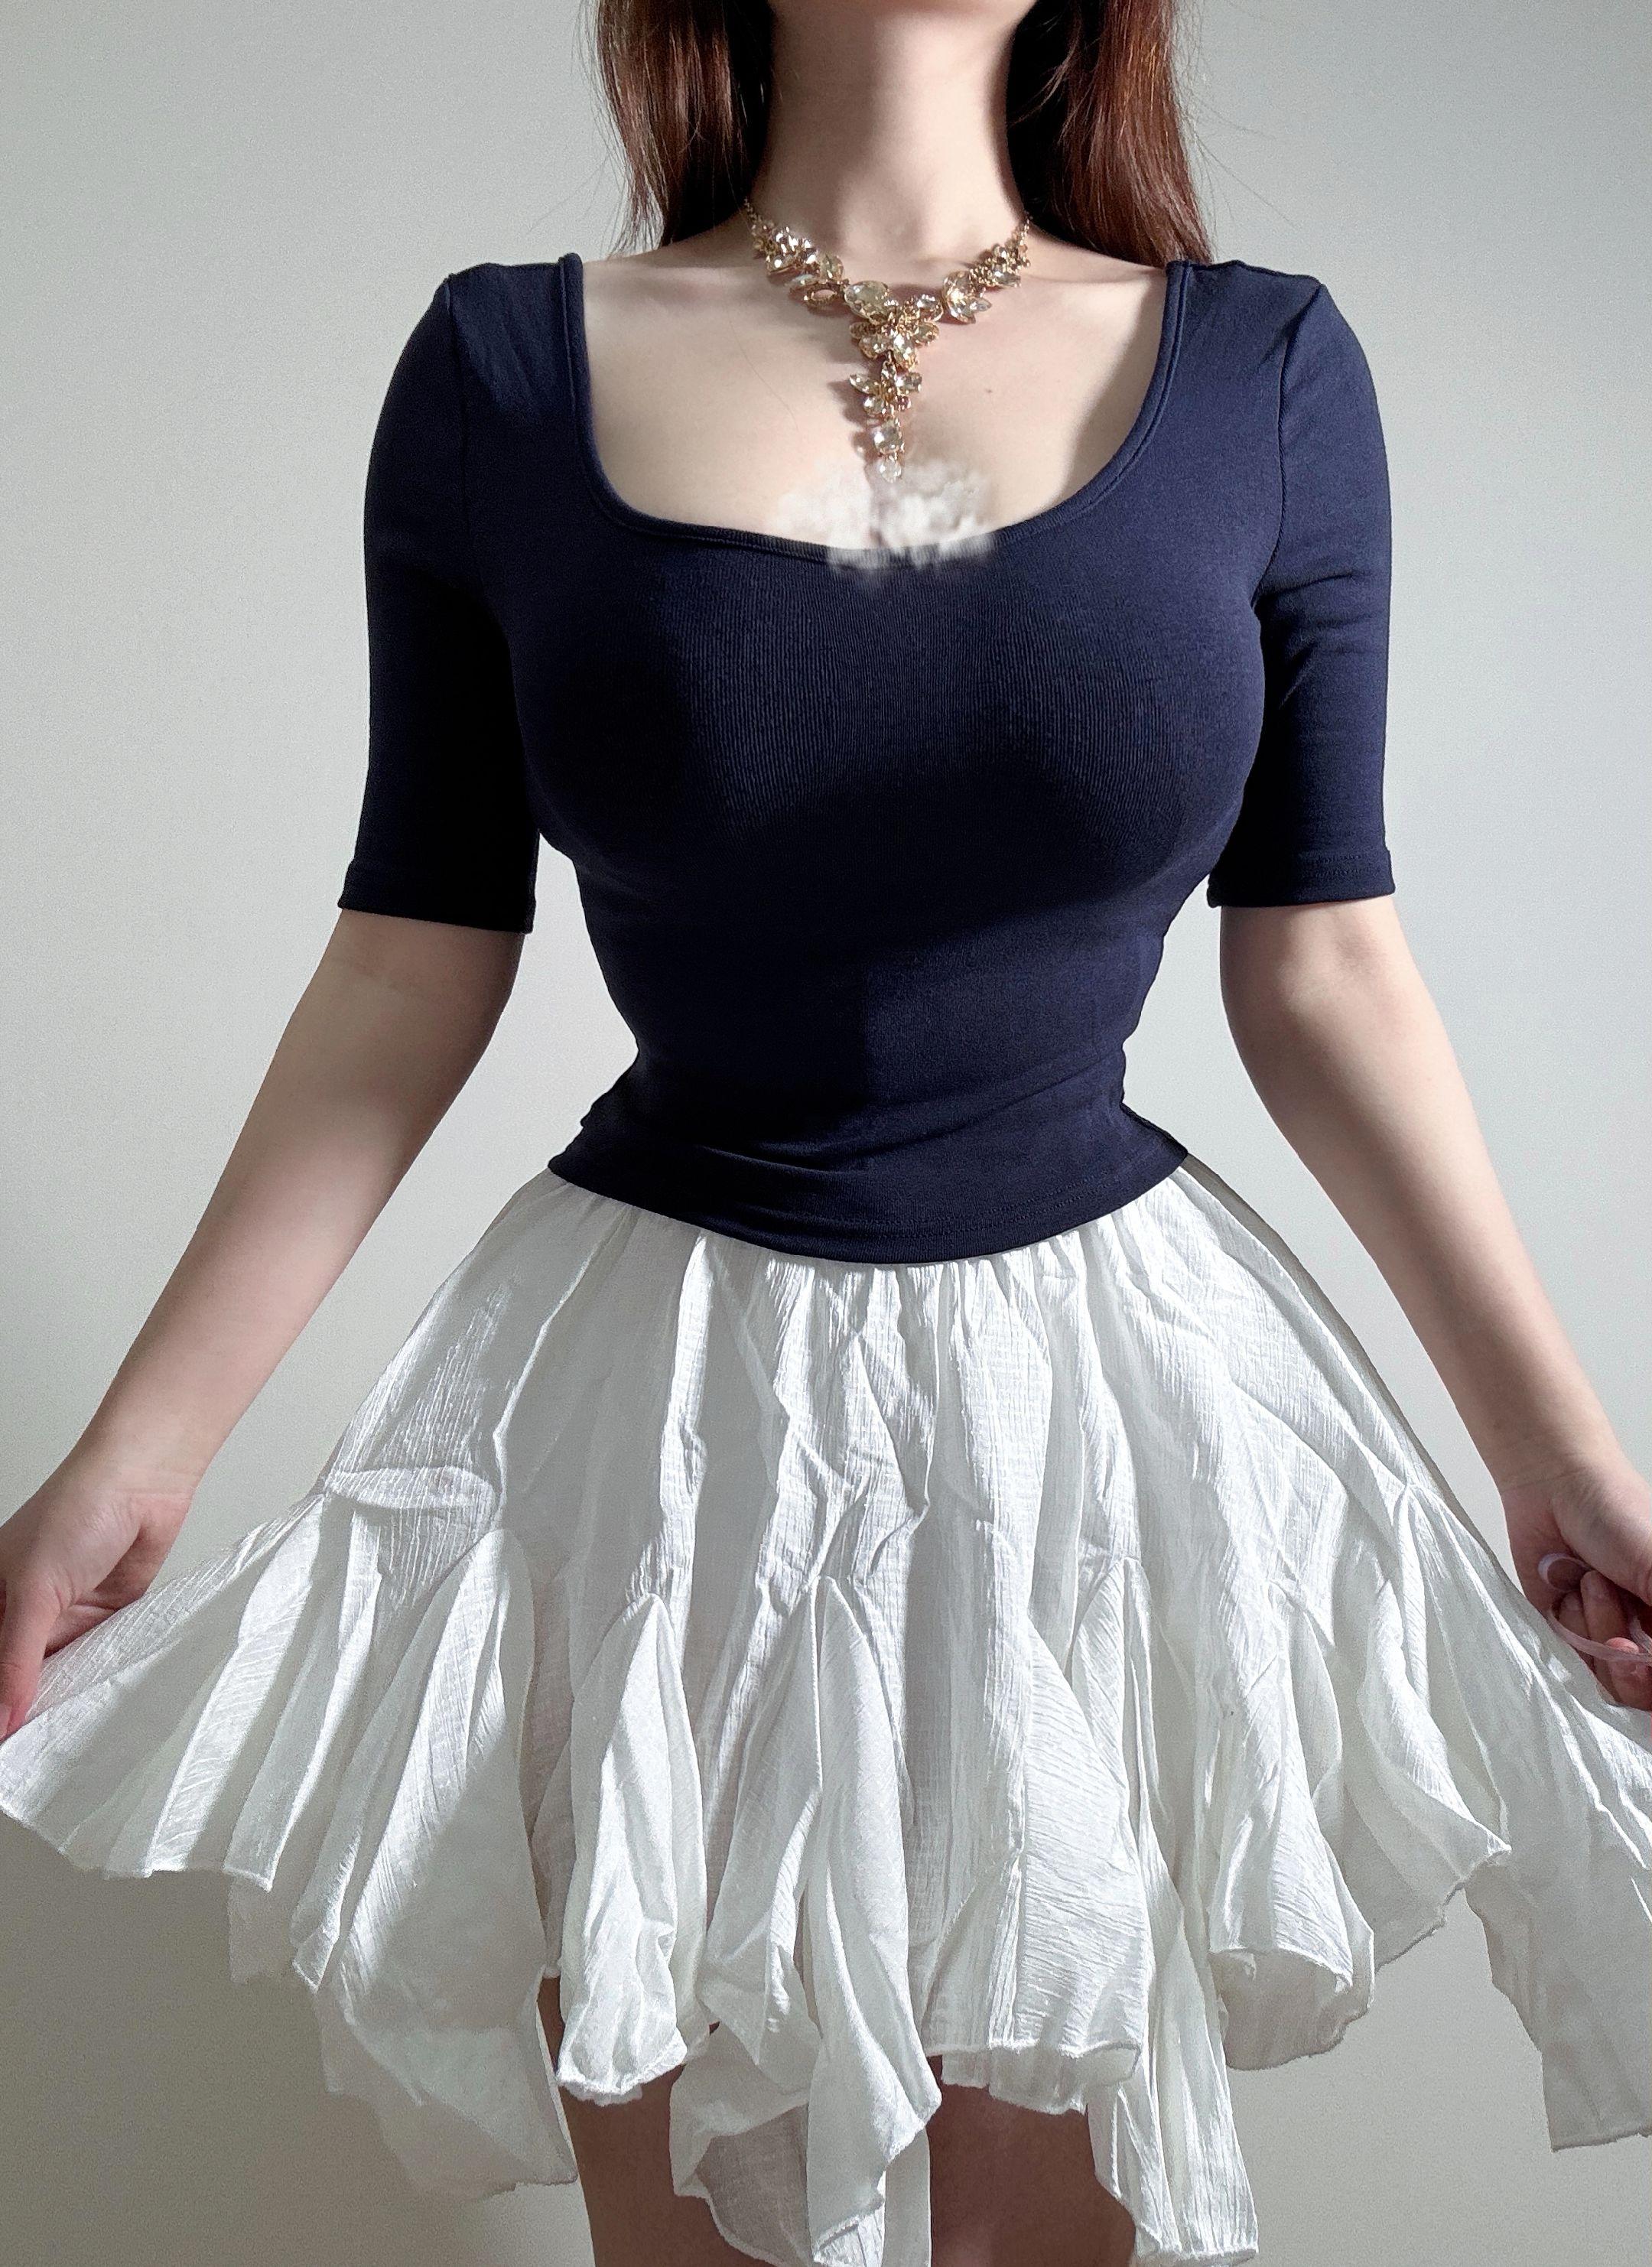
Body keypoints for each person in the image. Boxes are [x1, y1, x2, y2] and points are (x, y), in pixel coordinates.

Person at [2, 2, 1649, 2263]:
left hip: (1096, 1430)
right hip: (662, 1436)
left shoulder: (1266, 375)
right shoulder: (504, 374)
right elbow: (410, 953)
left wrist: (1558, 1458)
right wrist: (135, 1459)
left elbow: (1326, 964)